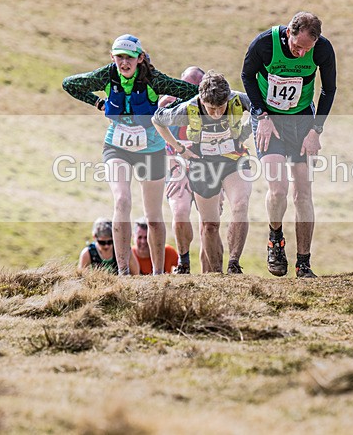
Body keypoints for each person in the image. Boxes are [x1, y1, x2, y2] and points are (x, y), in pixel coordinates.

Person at [63, 34, 199, 275]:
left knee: (153, 215)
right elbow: (70, 84)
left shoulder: (154, 79)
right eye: (119, 57)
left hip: (151, 149)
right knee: (122, 201)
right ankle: (123, 271)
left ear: (140, 58)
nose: (124, 63)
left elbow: (192, 92)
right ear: (113, 58)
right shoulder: (107, 75)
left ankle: (158, 274)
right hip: (117, 147)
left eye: (129, 58)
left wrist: (167, 111)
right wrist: (98, 103)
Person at [241, 11, 336, 279]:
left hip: (303, 120)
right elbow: (247, 76)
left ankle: (303, 262)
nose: (300, 53)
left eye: (307, 49)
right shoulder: (265, 44)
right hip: (269, 120)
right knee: (279, 188)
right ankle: (275, 239)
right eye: (296, 46)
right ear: (288, 34)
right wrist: (261, 115)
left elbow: (329, 89)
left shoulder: (322, 50)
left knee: (303, 192)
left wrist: (316, 130)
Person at [153, 70, 253, 274]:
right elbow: (157, 120)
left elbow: (262, 110)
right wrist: (180, 149)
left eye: (221, 108)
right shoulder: (187, 108)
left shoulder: (237, 99)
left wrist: (245, 133)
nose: (216, 113)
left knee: (240, 204)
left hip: (234, 160)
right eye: (211, 109)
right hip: (202, 164)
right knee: (209, 225)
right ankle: (216, 274)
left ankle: (234, 264)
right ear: (202, 100)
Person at [159, 66, 206, 274]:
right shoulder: (167, 104)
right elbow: (160, 145)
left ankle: (211, 271)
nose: (191, 93)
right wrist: (181, 171)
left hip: (207, 166)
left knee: (209, 222)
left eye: (196, 88)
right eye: (187, 86)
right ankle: (183, 261)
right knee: (179, 212)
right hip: (175, 164)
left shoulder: (210, 104)